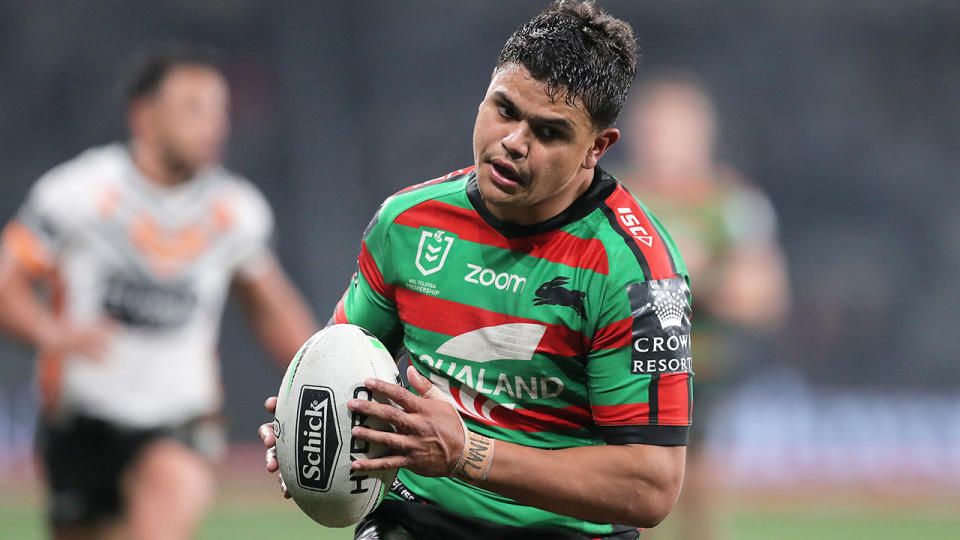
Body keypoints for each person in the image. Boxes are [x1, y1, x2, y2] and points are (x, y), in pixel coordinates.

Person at [260, 1, 692, 538]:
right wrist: (304, 417)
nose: (514, 141)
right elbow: (343, 354)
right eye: (504, 109)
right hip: (413, 519)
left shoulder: (638, 272)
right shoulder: (406, 223)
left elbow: (650, 488)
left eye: (550, 132)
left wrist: (468, 454)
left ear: (596, 148)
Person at [0, 45, 318, 539]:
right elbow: (6, 285)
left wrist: (323, 377)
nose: (213, 125)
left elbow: (269, 307)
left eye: (219, 110)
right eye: (192, 108)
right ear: (144, 116)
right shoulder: (76, 195)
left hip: (181, 421)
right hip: (80, 422)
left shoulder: (235, 212)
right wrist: (51, 330)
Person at [620, 72, 790, 540]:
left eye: (679, 129)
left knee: (700, 504)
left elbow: (764, 296)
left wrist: (696, 276)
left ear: (704, 133)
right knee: (626, 505)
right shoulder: (614, 198)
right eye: (658, 128)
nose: (667, 142)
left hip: (701, 375)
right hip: (622, 374)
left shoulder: (732, 204)